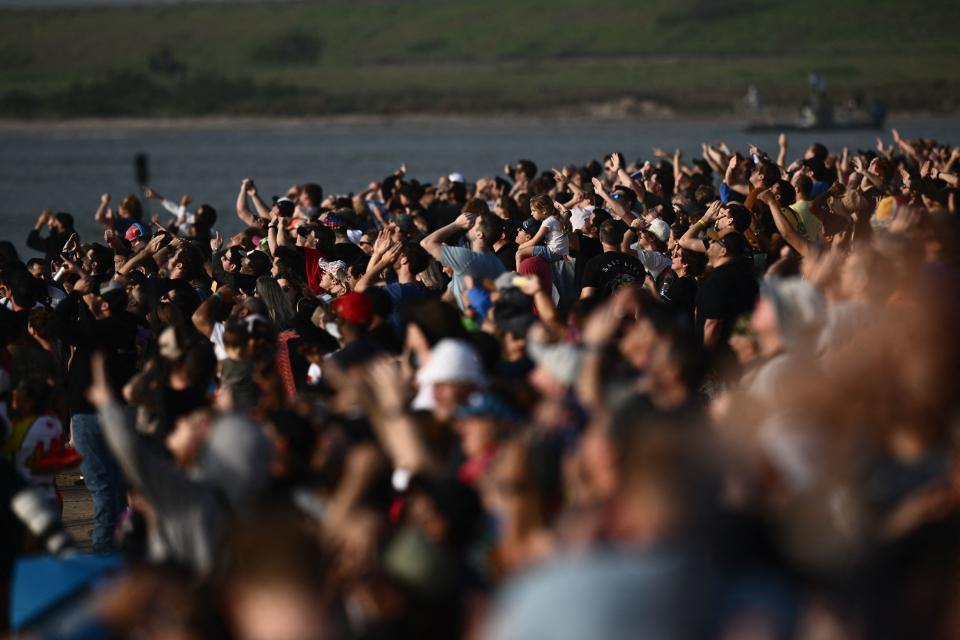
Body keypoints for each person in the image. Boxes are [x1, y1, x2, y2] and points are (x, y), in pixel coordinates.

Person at [421, 210, 505, 313]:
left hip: (474, 323)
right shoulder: (497, 262)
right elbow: (452, 292)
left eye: (474, 224)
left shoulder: (468, 258)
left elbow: (426, 243)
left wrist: (456, 224)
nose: (470, 225)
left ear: (479, 235)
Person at [580, 219, 646, 300]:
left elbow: (586, 299)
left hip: (604, 312)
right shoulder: (637, 263)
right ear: (622, 238)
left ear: (600, 238)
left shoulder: (594, 264)